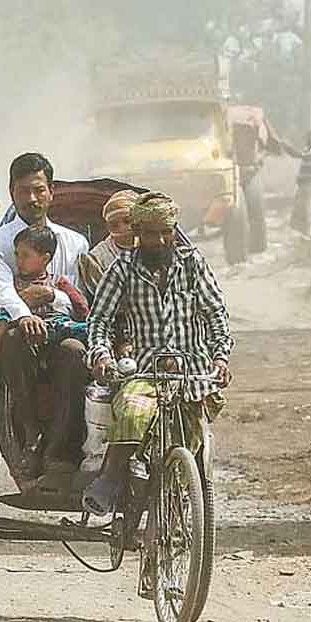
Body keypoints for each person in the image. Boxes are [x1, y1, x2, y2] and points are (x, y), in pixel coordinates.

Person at [82, 192, 234, 516]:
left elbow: (216, 313)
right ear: (138, 233)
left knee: (192, 447)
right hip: (144, 372)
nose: (161, 240)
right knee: (134, 412)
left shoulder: (193, 264)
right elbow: (99, 321)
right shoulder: (122, 269)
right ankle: (110, 479)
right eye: (152, 233)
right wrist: (102, 355)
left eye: (166, 231)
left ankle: (178, 508)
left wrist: (220, 357)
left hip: (192, 374)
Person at [0, 152, 91, 488]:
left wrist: (52, 297)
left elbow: (80, 297)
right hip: (16, 333)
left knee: (74, 353)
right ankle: (28, 438)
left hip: (61, 330)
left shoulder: (75, 243)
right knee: (13, 340)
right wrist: (25, 314)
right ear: (12, 192)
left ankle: (59, 453)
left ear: (51, 191)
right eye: (24, 191)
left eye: (39, 190)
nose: (32, 198)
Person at [0, 225, 89, 392]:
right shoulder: (12, 288)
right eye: (17, 255)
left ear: (45, 259)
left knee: (82, 340)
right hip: (24, 338)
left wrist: (55, 297)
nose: (19, 261)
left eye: (26, 256)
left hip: (57, 329)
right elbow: (1, 321)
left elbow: (82, 308)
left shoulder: (59, 283)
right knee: (6, 324)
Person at [77, 190, 139, 300]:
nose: (122, 228)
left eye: (127, 221)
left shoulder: (153, 244)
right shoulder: (96, 259)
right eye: (115, 225)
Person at [287, 130, 311, 238]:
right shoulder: (309, 150)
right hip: (305, 184)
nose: (306, 140)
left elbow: (298, 155)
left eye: (309, 138)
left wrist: (286, 147)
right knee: (299, 206)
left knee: (310, 208)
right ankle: (300, 230)